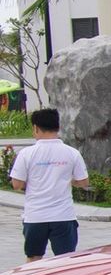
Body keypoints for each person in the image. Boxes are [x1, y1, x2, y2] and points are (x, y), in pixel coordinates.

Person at [10, 108, 89, 260]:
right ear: (58, 127)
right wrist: (68, 180)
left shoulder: (26, 154)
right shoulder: (72, 153)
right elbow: (84, 182)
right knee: (66, 260)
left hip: (35, 216)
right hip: (63, 216)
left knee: (33, 258)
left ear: (35, 128)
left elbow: (17, 184)